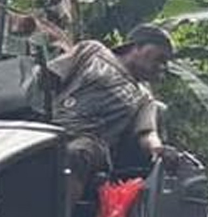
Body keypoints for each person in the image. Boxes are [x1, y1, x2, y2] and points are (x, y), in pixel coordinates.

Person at [44, 24, 172, 201]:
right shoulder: (92, 52)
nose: (162, 66)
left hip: (92, 143)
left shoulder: (145, 98)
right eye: (160, 58)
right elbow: (48, 77)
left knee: (77, 153)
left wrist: (158, 148)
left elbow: (147, 132)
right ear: (138, 46)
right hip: (52, 127)